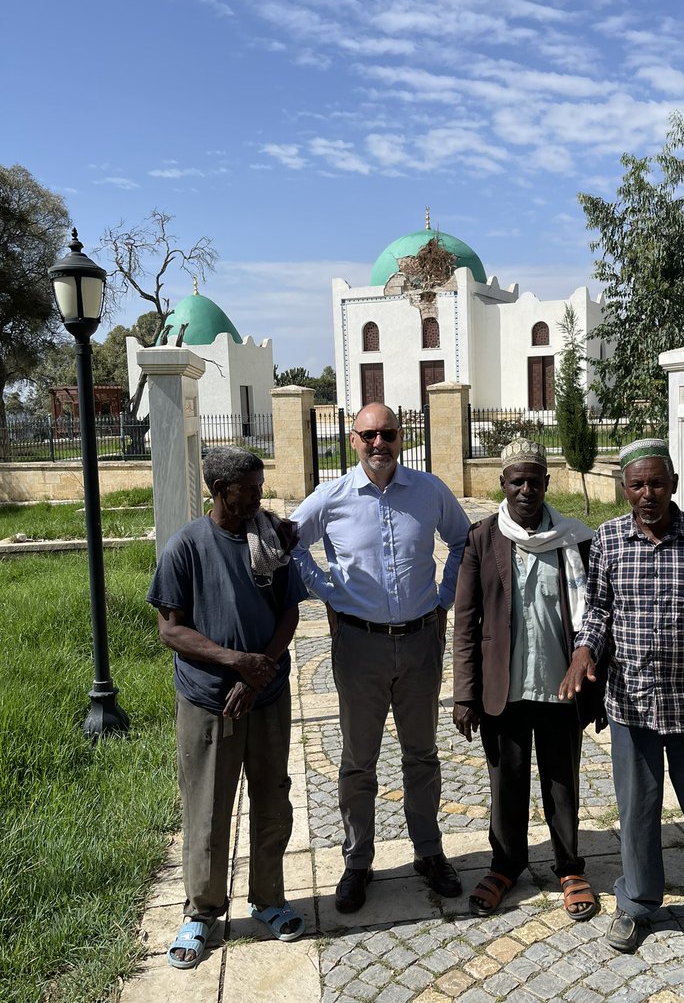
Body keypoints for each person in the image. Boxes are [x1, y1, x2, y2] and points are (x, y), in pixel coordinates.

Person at [559, 438, 684, 965]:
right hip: (632, 704)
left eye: (657, 483)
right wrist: (582, 652)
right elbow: (597, 610)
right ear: (624, 489)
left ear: (674, 485)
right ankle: (638, 903)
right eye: (637, 485)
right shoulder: (610, 540)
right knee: (637, 809)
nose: (648, 494)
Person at [291, 403, 471, 913]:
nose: (378, 444)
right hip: (359, 645)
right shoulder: (332, 497)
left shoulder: (429, 490)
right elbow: (290, 542)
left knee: (421, 755)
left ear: (401, 436)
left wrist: (444, 599)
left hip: (419, 641)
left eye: (387, 434)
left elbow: (462, 540)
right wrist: (328, 592)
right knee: (358, 760)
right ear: (353, 440)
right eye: (368, 435)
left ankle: (429, 852)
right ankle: (357, 860)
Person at [148, 446, 307, 969]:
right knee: (209, 808)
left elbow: (288, 612)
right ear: (220, 490)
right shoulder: (186, 547)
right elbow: (171, 629)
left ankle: (269, 900)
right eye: (251, 489)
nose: (260, 497)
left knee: (272, 801)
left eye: (261, 487)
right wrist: (234, 662)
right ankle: (202, 911)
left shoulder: (271, 538)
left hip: (266, 696)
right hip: (209, 701)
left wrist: (260, 670)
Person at [452, 439, 604, 920]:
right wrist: (464, 694)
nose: (525, 489)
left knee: (562, 781)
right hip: (505, 690)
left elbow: (597, 612)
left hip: (562, 686)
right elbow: (466, 622)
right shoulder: (482, 538)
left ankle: (569, 867)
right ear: (502, 483)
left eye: (534, 480)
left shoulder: (575, 538)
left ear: (546, 483)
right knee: (506, 783)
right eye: (516, 480)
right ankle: (506, 864)